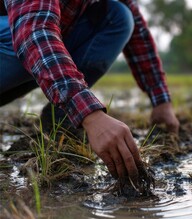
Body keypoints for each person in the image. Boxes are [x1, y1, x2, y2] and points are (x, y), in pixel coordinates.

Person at [0, 0, 180, 185]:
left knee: (118, 15)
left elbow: (138, 31)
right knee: (21, 33)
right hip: (20, 35)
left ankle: (60, 119)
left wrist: (161, 101)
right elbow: (34, 34)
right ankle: (74, 111)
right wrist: (90, 114)